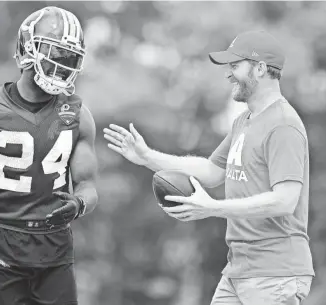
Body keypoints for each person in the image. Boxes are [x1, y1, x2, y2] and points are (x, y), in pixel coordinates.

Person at [103, 30, 314, 304]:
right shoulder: (244, 121)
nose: (229, 74)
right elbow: (212, 172)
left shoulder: (283, 125)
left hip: (275, 273)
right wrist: (147, 157)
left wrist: (212, 208)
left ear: (260, 69)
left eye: (235, 66)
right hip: (240, 270)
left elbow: (284, 201)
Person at [0, 6, 98, 305]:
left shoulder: (78, 116)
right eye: (53, 53)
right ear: (27, 50)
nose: (60, 64)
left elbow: (89, 187)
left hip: (54, 248)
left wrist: (79, 204)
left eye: (68, 57)